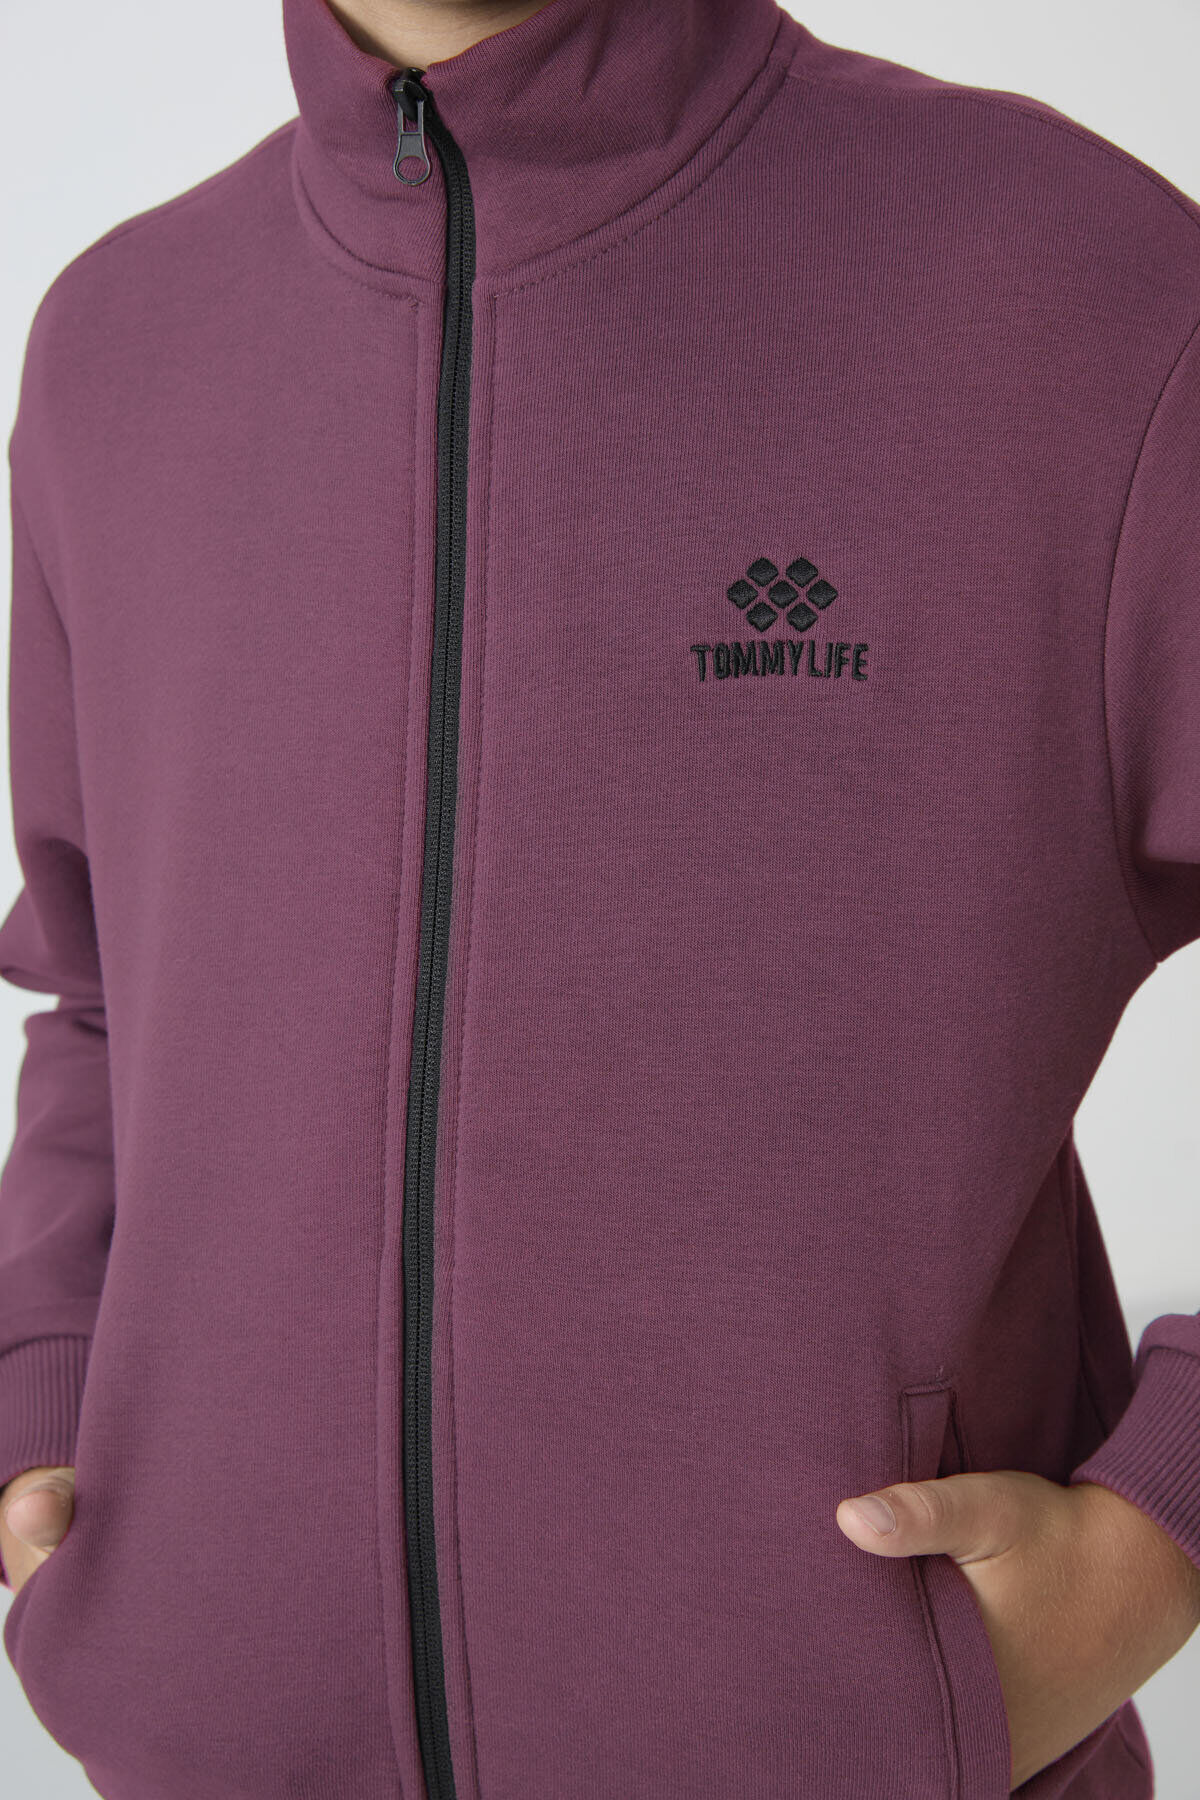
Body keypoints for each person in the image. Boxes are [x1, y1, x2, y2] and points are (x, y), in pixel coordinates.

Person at [1, 0, 1198, 1794]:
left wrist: (1164, 1526)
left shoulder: (1074, 286)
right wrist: (45, 1390)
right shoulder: (120, 344)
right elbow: (102, 983)